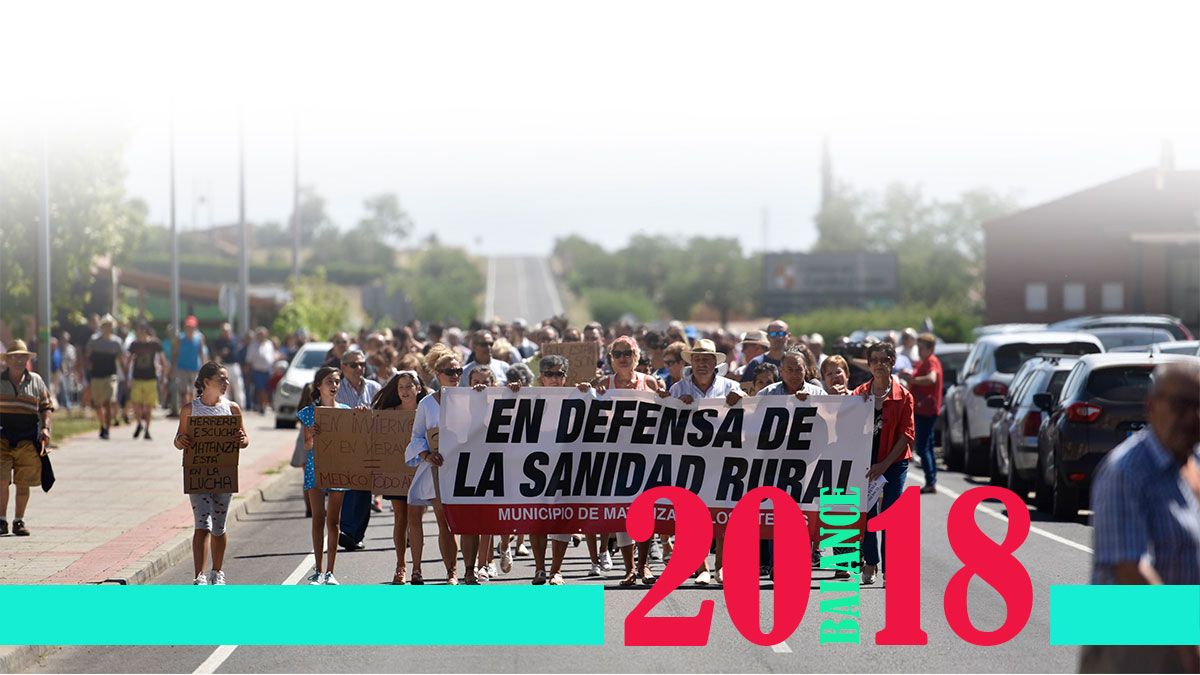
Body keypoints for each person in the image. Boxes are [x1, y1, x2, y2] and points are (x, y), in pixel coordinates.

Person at [1079, 362, 1200, 674]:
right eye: (1181, 405)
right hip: (1132, 646)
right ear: (1151, 407)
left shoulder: (1192, 466)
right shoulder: (1126, 471)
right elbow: (1131, 570)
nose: (1192, 417)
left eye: (1199, 406)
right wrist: (1186, 638)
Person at [669, 338, 745, 585]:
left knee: (723, 513)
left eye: (706, 360)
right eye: (697, 359)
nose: (702, 364)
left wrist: (741, 396)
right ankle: (701, 567)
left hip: (723, 459)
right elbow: (665, 421)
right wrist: (677, 407)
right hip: (689, 461)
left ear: (715, 363)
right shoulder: (678, 390)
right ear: (691, 362)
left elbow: (752, 408)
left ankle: (721, 566)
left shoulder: (730, 386)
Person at [591, 336, 665, 586]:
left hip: (645, 456)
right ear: (611, 358)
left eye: (627, 353)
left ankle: (643, 566)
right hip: (614, 457)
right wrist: (589, 392)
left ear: (636, 357)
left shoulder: (650, 382)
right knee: (622, 512)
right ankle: (629, 568)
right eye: (617, 353)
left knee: (645, 512)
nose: (622, 357)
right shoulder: (603, 383)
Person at [406, 344, 480, 584]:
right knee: (445, 520)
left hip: (467, 467)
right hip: (439, 468)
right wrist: (427, 455)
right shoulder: (426, 404)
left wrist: (489, 395)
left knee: (468, 520)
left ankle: (470, 570)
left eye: (459, 371)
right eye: (450, 372)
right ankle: (452, 572)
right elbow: (417, 436)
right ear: (438, 375)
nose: (456, 376)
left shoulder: (473, 397)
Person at [173, 362, 249, 584]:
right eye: (221, 379)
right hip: (198, 474)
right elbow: (178, 440)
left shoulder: (232, 409)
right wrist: (181, 440)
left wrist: (242, 440)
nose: (226, 383)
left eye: (226, 380)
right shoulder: (190, 409)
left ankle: (217, 571)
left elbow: (244, 440)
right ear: (206, 382)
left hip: (223, 475)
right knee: (202, 523)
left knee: (218, 525)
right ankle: (200, 575)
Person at [508, 354, 575, 585]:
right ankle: (540, 568)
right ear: (541, 378)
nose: (555, 379)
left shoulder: (577, 396)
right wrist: (512, 393)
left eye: (559, 374)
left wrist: (590, 391)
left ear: (565, 378)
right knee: (537, 518)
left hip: (566, 466)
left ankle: (556, 570)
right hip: (535, 467)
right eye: (549, 374)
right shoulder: (529, 397)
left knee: (562, 518)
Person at [854, 341, 914, 585]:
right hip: (865, 463)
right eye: (874, 360)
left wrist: (885, 464)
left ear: (892, 362)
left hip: (894, 463)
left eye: (884, 359)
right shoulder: (859, 395)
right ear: (869, 364)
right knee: (867, 513)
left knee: (890, 515)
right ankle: (871, 561)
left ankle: (891, 568)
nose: (879, 364)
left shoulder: (904, 396)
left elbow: (906, 435)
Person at [371, 370, 428, 584]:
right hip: (395, 474)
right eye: (400, 387)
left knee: (415, 519)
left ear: (418, 388)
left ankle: (417, 569)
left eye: (409, 386)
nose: (404, 391)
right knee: (400, 519)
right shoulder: (387, 413)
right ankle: (400, 566)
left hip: (419, 473)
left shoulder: (426, 410)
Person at [297, 366, 351, 584]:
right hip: (315, 467)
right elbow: (307, 446)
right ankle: (318, 570)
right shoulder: (310, 412)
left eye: (337, 381)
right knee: (318, 518)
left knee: (334, 522)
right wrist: (311, 435)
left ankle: (330, 571)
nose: (334, 385)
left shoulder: (346, 411)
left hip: (338, 468)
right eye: (329, 381)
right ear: (319, 386)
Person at [0, 340, 54, 537]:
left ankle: (18, 520)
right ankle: (1, 521)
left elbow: (46, 407)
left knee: (23, 482)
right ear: (7, 360)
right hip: (2, 438)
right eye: (14, 356)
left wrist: (46, 429)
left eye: (22, 357)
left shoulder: (36, 381)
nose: (19, 360)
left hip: (27, 439)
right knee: (2, 479)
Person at [334, 349, 383, 552]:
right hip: (344, 448)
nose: (359, 368)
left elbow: (384, 414)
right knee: (346, 490)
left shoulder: (374, 388)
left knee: (363, 492)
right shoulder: (336, 389)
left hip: (369, 447)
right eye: (354, 365)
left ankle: (357, 534)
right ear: (343, 366)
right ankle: (346, 531)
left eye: (362, 364)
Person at [900, 333, 942, 494]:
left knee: (923, 447)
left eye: (922, 348)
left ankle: (930, 481)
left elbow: (931, 378)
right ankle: (931, 480)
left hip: (926, 410)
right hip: (924, 409)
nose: (919, 350)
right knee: (928, 446)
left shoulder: (931, 361)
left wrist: (912, 380)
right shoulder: (926, 361)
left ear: (930, 348)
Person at [84, 316, 124, 439]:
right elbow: (87, 356)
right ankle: (102, 425)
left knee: (109, 401)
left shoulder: (116, 342)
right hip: (96, 376)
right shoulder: (94, 341)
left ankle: (107, 428)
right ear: (101, 327)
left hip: (110, 376)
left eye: (110, 326)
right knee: (98, 403)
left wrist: (125, 374)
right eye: (105, 325)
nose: (108, 328)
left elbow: (121, 358)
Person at [126, 322, 165, 441]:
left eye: (139, 331)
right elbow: (129, 361)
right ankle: (139, 424)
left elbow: (162, 360)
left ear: (145, 332)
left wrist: (163, 376)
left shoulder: (154, 344)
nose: (138, 334)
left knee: (148, 406)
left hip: (151, 378)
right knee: (136, 404)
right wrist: (128, 377)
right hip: (137, 377)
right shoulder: (134, 344)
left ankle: (147, 429)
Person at [173, 316, 208, 419]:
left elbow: (202, 353)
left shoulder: (199, 338)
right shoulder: (180, 338)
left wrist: (204, 366)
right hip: (182, 367)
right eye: (188, 327)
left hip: (194, 368)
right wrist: (172, 367)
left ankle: (192, 411)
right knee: (184, 391)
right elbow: (175, 353)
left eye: (191, 327)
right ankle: (185, 410)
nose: (189, 329)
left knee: (192, 390)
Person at [740, 319, 789, 384]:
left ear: (789, 336)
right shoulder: (756, 363)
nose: (778, 337)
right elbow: (746, 390)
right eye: (773, 334)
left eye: (781, 333)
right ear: (768, 337)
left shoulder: (796, 362)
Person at [246, 327, 277, 414]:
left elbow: (272, 357)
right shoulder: (253, 345)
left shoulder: (269, 344)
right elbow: (249, 359)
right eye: (260, 335)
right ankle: (262, 405)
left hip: (268, 371)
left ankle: (264, 404)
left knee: (267, 389)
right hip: (257, 371)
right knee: (260, 389)